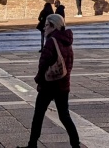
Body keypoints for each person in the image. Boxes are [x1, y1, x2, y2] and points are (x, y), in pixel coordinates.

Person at [21, 14, 79, 148]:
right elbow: (69, 63)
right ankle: (76, 145)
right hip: (63, 84)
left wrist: (38, 79)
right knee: (64, 116)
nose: (44, 28)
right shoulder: (67, 41)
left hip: (49, 84)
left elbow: (43, 64)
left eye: (47, 25)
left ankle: (32, 144)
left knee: (39, 114)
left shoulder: (51, 41)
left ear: (53, 26)